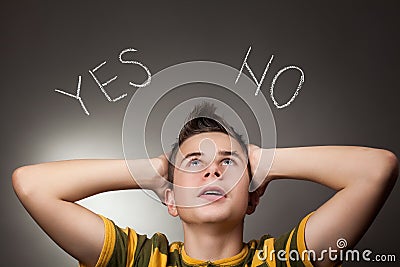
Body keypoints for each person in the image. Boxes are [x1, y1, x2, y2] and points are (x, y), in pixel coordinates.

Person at [12, 102, 398, 267]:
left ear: (252, 198)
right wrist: (155, 169)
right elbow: (31, 184)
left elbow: (377, 169)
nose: (213, 172)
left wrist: (263, 160)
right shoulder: (136, 259)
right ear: (171, 201)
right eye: (194, 163)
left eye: (227, 164)